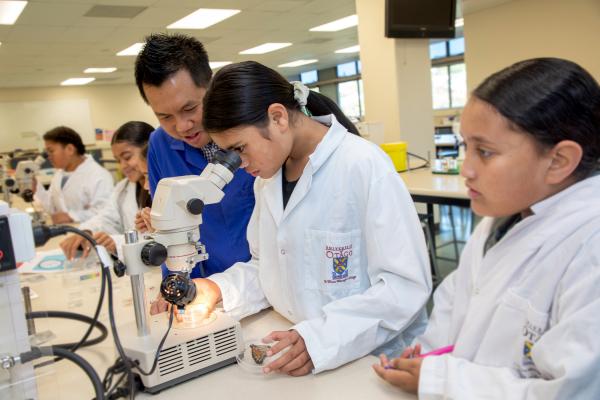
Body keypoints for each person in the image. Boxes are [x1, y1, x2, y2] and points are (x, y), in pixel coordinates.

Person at [373, 58, 600, 399]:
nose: (466, 169)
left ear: (558, 160)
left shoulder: (590, 246)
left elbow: (572, 391)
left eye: (485, 152)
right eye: (466, 147)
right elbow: (456, 308)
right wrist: (428, 359)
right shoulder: (502, 218)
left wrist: (442, 381)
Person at [190, 61, 432, 376]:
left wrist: (321, 338)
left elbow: (404, 286)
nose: (239, 164)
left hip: (371, 362)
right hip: (298, 347)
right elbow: (269, 268)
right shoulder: (267, 179)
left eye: (240, 149)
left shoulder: (363, 165)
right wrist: (218, 289)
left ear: (277, 117)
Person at [134, 33, 256, 306]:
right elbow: (169, 229)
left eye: (190, 108)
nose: (181, 126)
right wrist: (174, 285)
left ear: (210, 86)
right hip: (203, 288)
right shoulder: (160, 145)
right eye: (164, 116)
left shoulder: (252, 134)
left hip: (261, 284)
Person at [59, 121, 153, 260]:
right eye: (118, 160)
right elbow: (106, 217)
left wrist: (117, 243)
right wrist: (87, 231)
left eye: (127, 157)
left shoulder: (166, 187)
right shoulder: (123, 187)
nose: (122, 166)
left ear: (149, 150)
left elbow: (161, 240)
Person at [34, 126, 113, 224]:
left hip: (91, 235)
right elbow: (52, 207)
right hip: (66, 233)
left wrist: (72, 216)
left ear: (70, 149)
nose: (48, 157)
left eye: (51, 151)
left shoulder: (99, 176)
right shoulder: (59, 174)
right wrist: (36, 188)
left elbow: (106, 214)